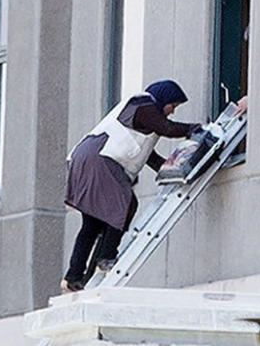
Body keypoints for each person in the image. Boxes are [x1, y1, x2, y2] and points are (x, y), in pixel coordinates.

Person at [61, 79, 201, 292]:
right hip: (100, 158)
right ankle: (106, 257)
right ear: (163, 98)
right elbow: (167, 128)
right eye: (173, 105)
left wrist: (170, 168)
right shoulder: (144, 106)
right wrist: (196, 130)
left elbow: (148, 156)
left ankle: (74, 277)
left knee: (92, 225)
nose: (172, 111)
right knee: (126, 203)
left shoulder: (142, 116)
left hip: (86, 157)